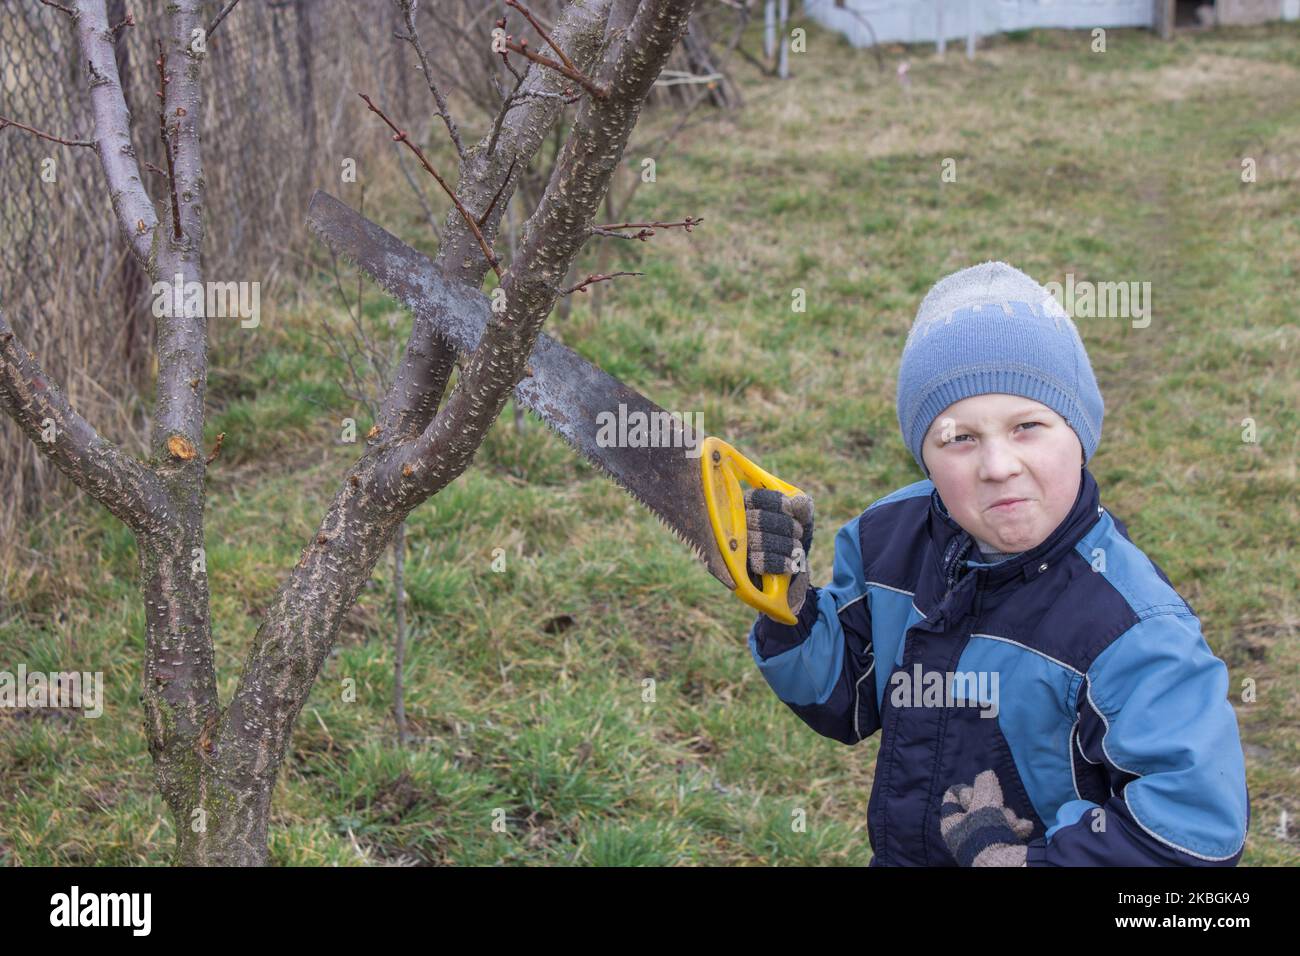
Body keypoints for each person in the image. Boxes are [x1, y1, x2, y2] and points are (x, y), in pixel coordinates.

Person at [743, 261, 1250, 866]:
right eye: (959, 438)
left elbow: (1193, 836)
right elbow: (845, 698)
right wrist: (790, 608)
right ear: (925, 457)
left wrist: (1019, 863)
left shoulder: (1132, 629)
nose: (998, 465)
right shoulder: (889, 539)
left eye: (1027, 427)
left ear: (1079, 436)